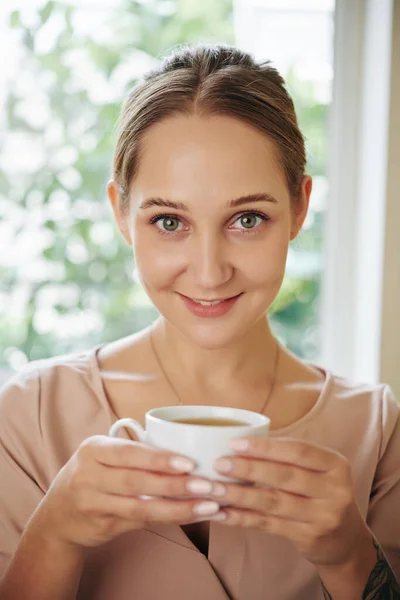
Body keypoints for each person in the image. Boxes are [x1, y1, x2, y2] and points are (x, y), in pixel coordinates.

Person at [0, 43, 399, 600]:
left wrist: (350, 555)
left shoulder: (378, 432)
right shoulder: (29, 416)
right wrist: (56, 536)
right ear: (121, 213)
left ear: (300, 208)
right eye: (169, 221)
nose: (210, 273)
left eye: (247, 218)